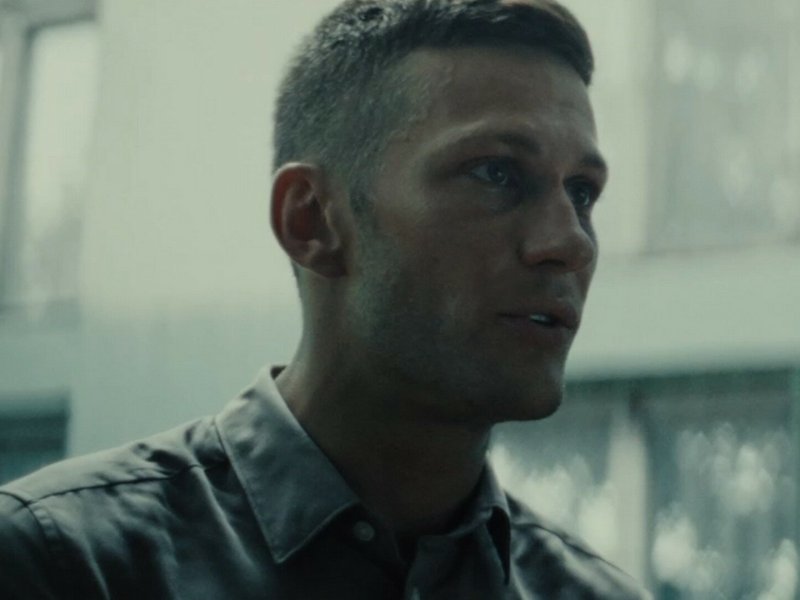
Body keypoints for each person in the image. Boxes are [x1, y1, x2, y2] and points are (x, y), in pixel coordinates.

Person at [0, 0, 651, 598]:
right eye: (497, 173)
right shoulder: (58, 564)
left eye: (582, 192)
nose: (571, 241)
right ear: (311, 220)